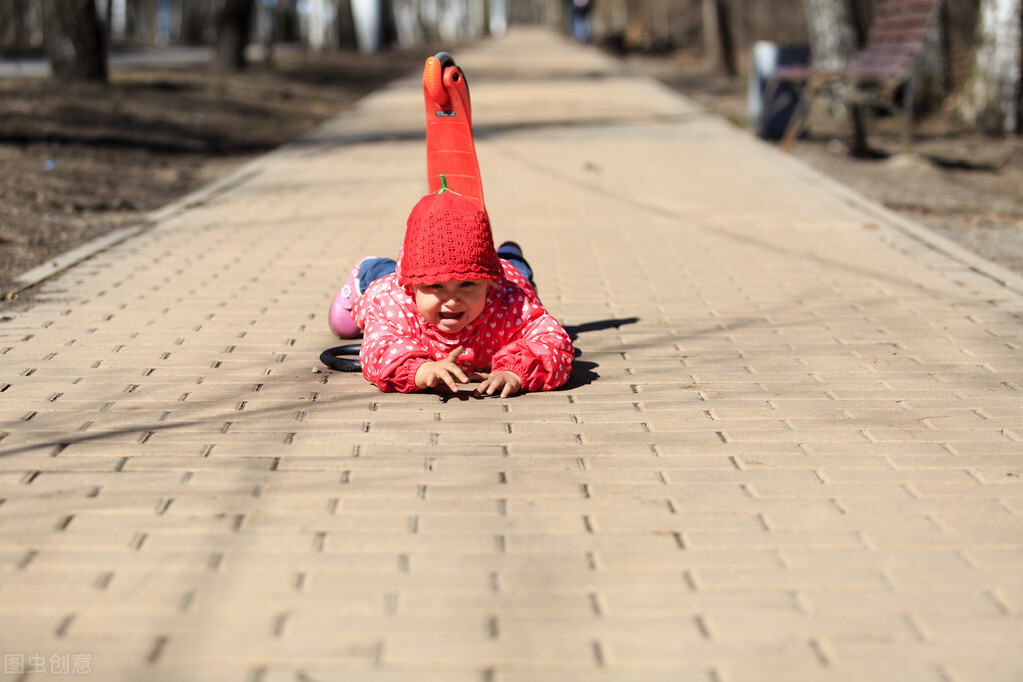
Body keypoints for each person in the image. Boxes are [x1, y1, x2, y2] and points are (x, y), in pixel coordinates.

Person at [328, 187, 574, 397]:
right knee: (344, 323)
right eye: (435, 286)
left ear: (489, 284)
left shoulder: (511, 303)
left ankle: (510, 253)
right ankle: (366, 269)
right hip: (390, 277)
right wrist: (420, 371)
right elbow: (377, 349)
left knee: (519, 273)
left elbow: (553, 342)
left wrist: (516, 372)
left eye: (467, 285)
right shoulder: (393, 303)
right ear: (412, 286)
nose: (452, 300)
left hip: (507, 274)